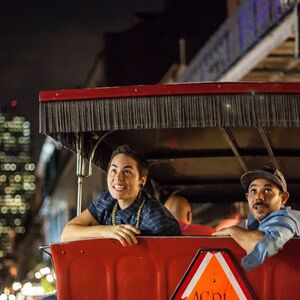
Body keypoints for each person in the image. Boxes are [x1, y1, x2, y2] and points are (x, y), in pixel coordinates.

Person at [61, 145, 181, 246]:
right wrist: (107, 231)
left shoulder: (157, 221)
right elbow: (67, 234)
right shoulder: (106, 200)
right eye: (114, 170)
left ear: (142, 181)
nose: (118, 178)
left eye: (127, 172)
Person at [212, 166, 300, 271]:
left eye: (267, 190)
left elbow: (262, 247)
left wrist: (233, 230)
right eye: (253, 190)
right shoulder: (254, 223)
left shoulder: (286, 218)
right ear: (247, 197)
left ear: (283, 198)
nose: (258, 197)